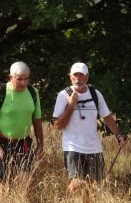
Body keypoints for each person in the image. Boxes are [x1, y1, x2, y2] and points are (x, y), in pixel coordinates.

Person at [52, 62, 127, 193]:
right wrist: (71, 106)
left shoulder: (95, 93)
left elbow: (107, 117)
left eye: (81, 75)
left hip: (94, 147)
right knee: (76, 184)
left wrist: (118, 135)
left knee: (93, 187)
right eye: (75, 75)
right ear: (70, 76)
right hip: (72, 147)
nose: (78, 78)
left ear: (87, 77)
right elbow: (58, 125)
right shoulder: (63, 95)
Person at [0, 61, 44, 197]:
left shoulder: (33, 93)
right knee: (5, 185)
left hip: (23, 143)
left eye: (26, 79)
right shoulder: (0, 92)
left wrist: (40, 145)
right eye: (20, 79)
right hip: (2, 143)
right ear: (10, 77)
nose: (24, 82)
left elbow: (37, 121)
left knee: (27, 183)